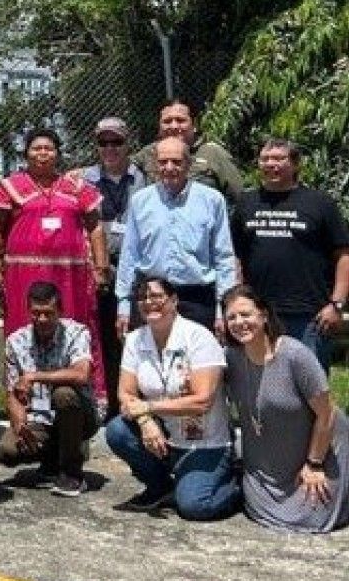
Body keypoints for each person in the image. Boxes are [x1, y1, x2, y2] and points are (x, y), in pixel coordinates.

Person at [0, 128, 109, 398]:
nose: (42, 154)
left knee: (75, 325)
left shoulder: (77, 188)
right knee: (24, 325)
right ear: (26, 153)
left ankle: (82, 397)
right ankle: (21, 396)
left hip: (70, 275)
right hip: (23, 274)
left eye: (49, 149)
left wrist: (101, 268)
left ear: (57, 153)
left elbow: (95, 226)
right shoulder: (9, 187)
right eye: (36, 149)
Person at [106, 276, 240, 519]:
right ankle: (160, 486)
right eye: (143, 298)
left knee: (195, 507)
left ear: (174, 300)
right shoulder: (135, 340)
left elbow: (202, 401)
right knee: (117, 430)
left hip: (204, 443)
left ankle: (238, 485)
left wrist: (147, 406)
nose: (149, 303)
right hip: (165, 439)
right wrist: (146, 421)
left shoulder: (198, 337)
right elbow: (125, 394)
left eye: (156, 297)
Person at [222, 287, 349, 533]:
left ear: (264, 315)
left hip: (319, 452)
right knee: (259, 510)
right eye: (231, 317)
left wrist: (315, 464)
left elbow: (327, 413)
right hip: (265, 466)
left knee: (312, 518)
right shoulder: (231, 358)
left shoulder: (295, 356)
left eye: (246, 314)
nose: (239, 323)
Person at [231, 137, 349, 374]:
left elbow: (343, 255)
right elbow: (236, 256)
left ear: (295, 164)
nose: (270, 164)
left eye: (278, 158)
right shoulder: (246, 203)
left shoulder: (320, 203)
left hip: (309, 314)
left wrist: (337, 304)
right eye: (265, 159)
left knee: (309, 385)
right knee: (261, 380)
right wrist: (238, 299)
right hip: (259, 312)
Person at [115, 137, 237, 335]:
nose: (169, 167)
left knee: (196, 362)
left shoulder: (212, 200)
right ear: (155, 165)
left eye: (177, 162)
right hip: (152, 296)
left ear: (189, 164)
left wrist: (223, 307)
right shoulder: (140, 201)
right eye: (163, 162)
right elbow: (129, 255)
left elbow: (223, 257)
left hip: (197, 299)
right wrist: (123, 304)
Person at [0, 281, 98, 497]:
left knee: (64, 394)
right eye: (36, 313)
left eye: (48, 313)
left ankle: (72, 472)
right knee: (7, 450)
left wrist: (34, 376)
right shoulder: (16, 341)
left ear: (60, 311)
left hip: (79, 415)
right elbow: (13, 392)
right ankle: (50, 462)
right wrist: (19, 423)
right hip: (40, 419)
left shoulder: (77, 333)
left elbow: (81, 374)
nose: (41, 319)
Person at [79, 116, 147, 417]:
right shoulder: (83, 181)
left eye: (116, 142)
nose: (110, 148)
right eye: (103, 142)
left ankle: (137, 398)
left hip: (135, 267)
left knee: (135, 334)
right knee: (104, 334)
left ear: (127, 143)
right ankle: (109, 403)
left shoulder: (142, 178)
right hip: (99, 267)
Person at [132, 99, 244, 204]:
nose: (174, 126)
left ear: (194, 125)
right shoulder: (147, 153)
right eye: (167, 121)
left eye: (180, 120)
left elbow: (239, 196)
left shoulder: (213, 153)